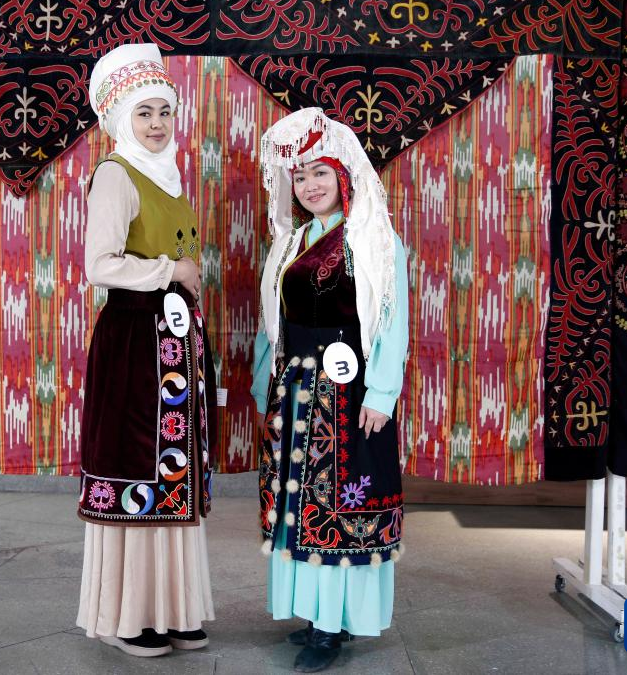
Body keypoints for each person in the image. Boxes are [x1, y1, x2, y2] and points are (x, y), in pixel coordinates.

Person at [251, 108, 409, 672]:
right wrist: (264, 383)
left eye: (320, 172)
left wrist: (381, 394)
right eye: (299, 176)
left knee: (342, 502)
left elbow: (391, 320)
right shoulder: (292, 241)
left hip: (348, 393)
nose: (309, 185)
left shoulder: (373, 238)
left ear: (343, 175)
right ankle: (316, 612)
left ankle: (331, 626)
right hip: (296, 389)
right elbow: (273, 320)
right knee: (299, 502)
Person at [75, 42, 216, 659]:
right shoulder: (116, 173)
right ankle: (128, 615)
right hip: (135, 341)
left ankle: (172, 610)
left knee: (173, 474)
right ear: (119, 117)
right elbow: (99, 265)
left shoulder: (168, 175)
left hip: (173, 343)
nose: (157, 124)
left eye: (164, 111)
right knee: (136, 469)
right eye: (144, 112)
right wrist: (172, 271)